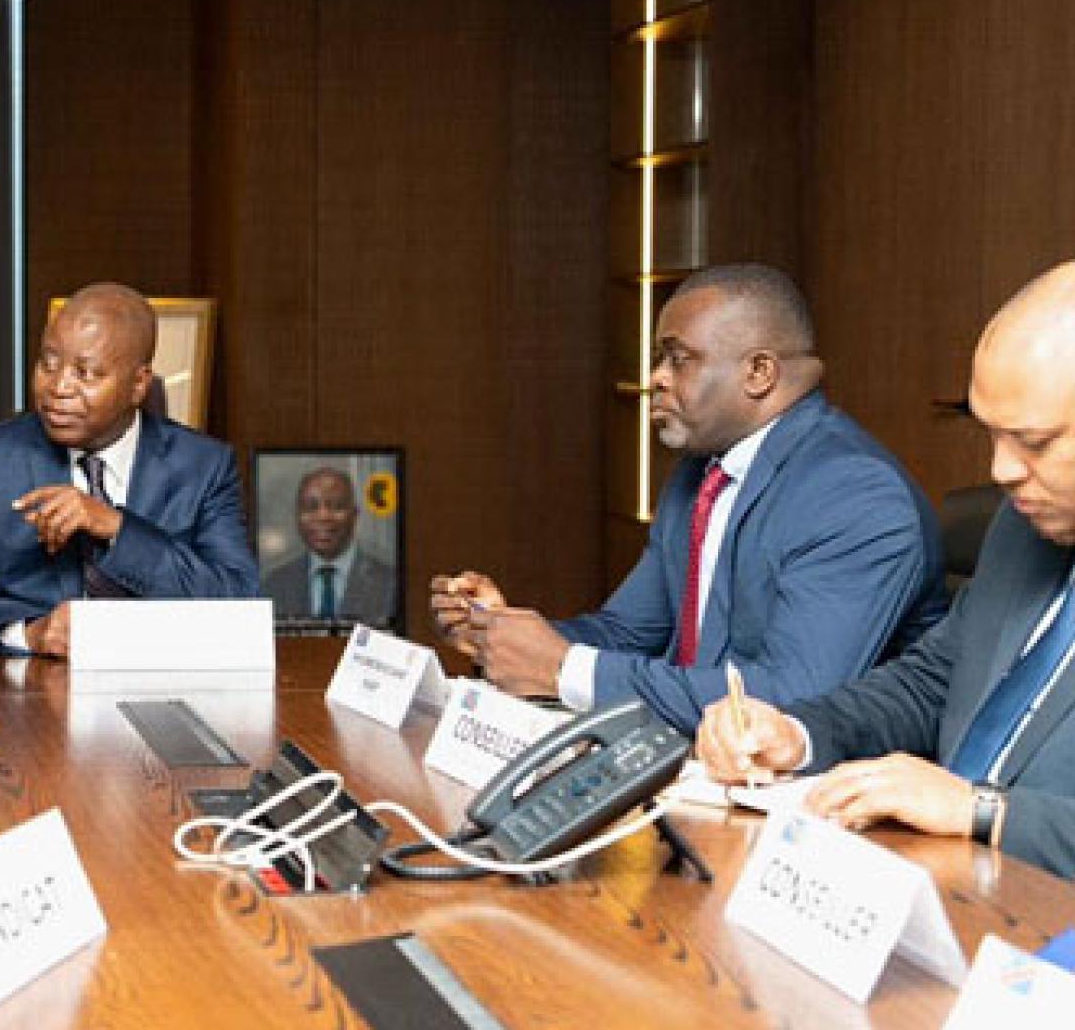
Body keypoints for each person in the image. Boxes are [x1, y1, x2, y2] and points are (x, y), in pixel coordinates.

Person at [432, 264, 947, 732]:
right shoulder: (701, 473)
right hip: (695, 765)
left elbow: (792, 700)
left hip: (815, 806)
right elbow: (628, 633)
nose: (655, 377)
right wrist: (504, 634)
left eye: (679, 360)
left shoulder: (854, 493)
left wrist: (564, 670)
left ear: (759, 373)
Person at [699, 264, 1075, 877]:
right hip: (939, 889)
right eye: (991, 434)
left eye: (1032, 442)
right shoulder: (1021, 529)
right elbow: (933, 683)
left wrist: (985, 812)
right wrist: (798, 733)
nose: (1002, 471)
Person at [0, 282, 259, 657]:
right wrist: (30, 633)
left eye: (88, 373)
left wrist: (116, 529)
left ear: (138, 385)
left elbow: (237, 599)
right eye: (47, 364)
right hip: (29, 696)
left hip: (159, 686)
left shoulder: (203, 465)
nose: (58, 387)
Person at [262, 466, 398, 624]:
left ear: (355, 515)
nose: (323, 516)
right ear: (297, 517)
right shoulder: (273, 584)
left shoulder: (390, 583)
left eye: (337, 506)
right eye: (311, 507)